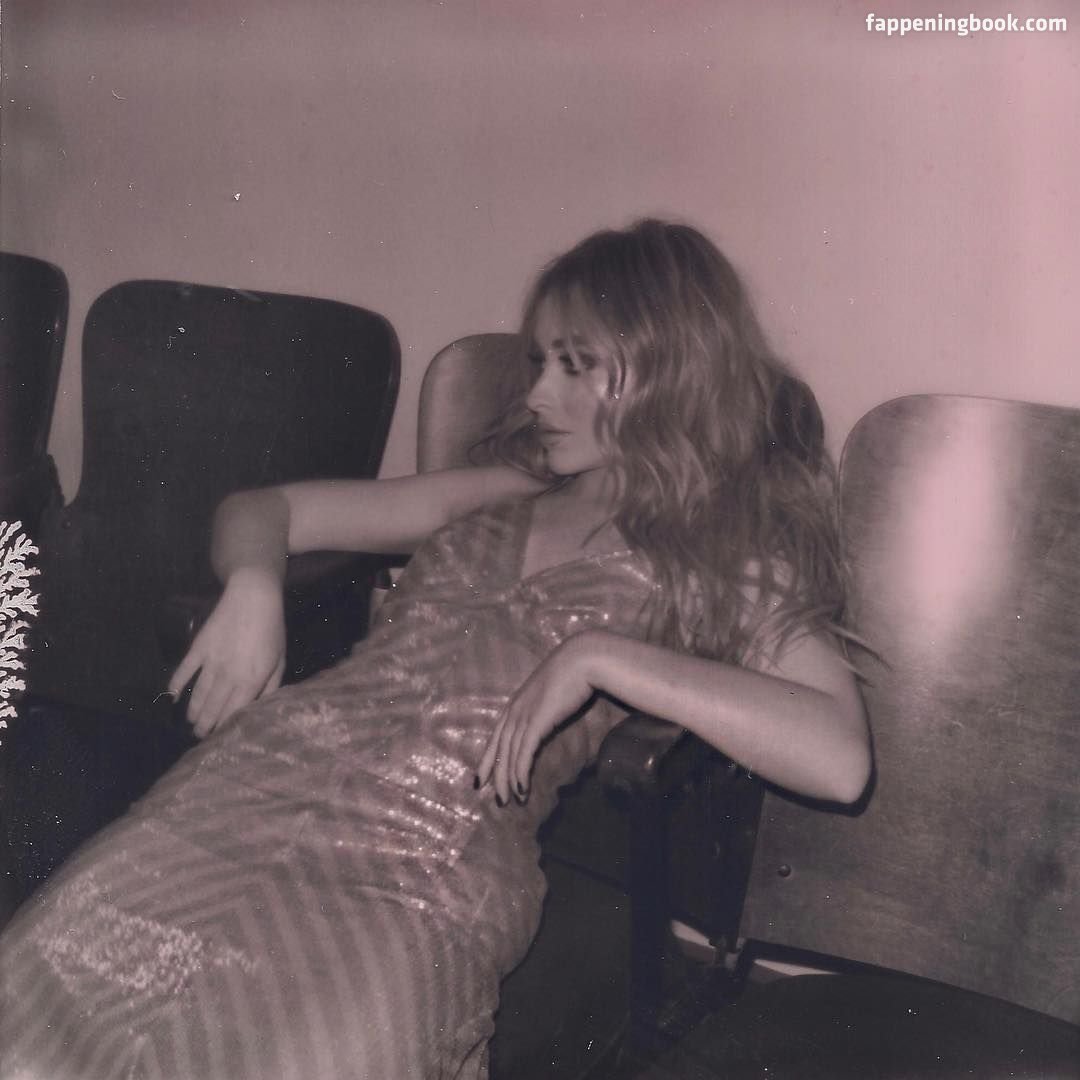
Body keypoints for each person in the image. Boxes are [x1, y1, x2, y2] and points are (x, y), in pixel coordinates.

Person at [0, 219, 870, 1079]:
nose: (537, 395)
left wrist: (600, 657)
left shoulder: (723, 550)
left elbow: (838, 759)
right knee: (39, 1003)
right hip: (250, 784)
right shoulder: (509, 490)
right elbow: (263, 509)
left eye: (575, 365)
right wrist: (255, 586)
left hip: (425, 866)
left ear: (669, 371)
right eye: (540, 362)